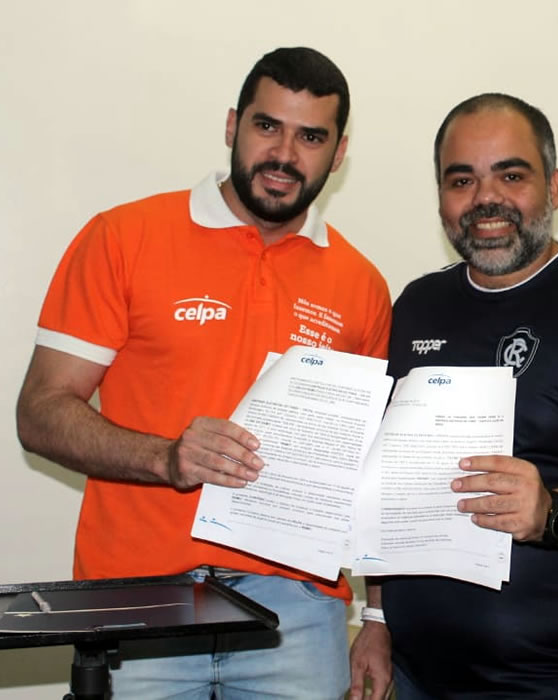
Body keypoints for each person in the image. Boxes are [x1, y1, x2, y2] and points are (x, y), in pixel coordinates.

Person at [16, 47, 391, 699]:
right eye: (267, 126)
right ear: (232, 125)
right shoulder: (123, 237)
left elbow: (370, 471)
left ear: (339, 154)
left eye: (310, 137)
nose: (283, 155)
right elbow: (41, 412)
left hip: (298, 614)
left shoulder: (361, 286)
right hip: (138, 603)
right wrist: (166, 458)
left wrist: (379, 618)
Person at [348, 93, 558, 699]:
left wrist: (551, 513)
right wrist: (376, 618)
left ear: (553, 187)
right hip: (422, 674)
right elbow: (389, 482)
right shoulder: (416, 305)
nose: (486, 198)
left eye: (511, 175)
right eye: (462, 180)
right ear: (440, 196)